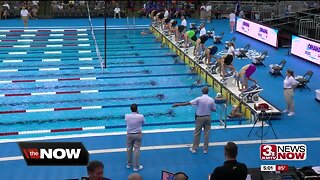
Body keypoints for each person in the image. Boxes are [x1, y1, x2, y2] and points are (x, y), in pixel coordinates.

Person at [172, 86, 216, 154]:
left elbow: (188, 103)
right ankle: (205, 149)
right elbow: (214, 109)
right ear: (208, 92)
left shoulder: (199, 99)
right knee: (207, 134)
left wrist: (178, 104)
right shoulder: (211, 99)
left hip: (200, 118)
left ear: (202, 91)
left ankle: (194, 148)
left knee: (197, 133)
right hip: (208, 117)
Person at [125, 103, 145, 171]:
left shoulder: (126, 116)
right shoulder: (141, 116)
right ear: (137, 109)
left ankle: (129, 164)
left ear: (130, 109)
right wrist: (138, 113)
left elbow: (127, 123)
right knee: (136, 150)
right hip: (137, 134)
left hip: (129, 134)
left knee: (129, 149)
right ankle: (136, 167)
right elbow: (143, 123)